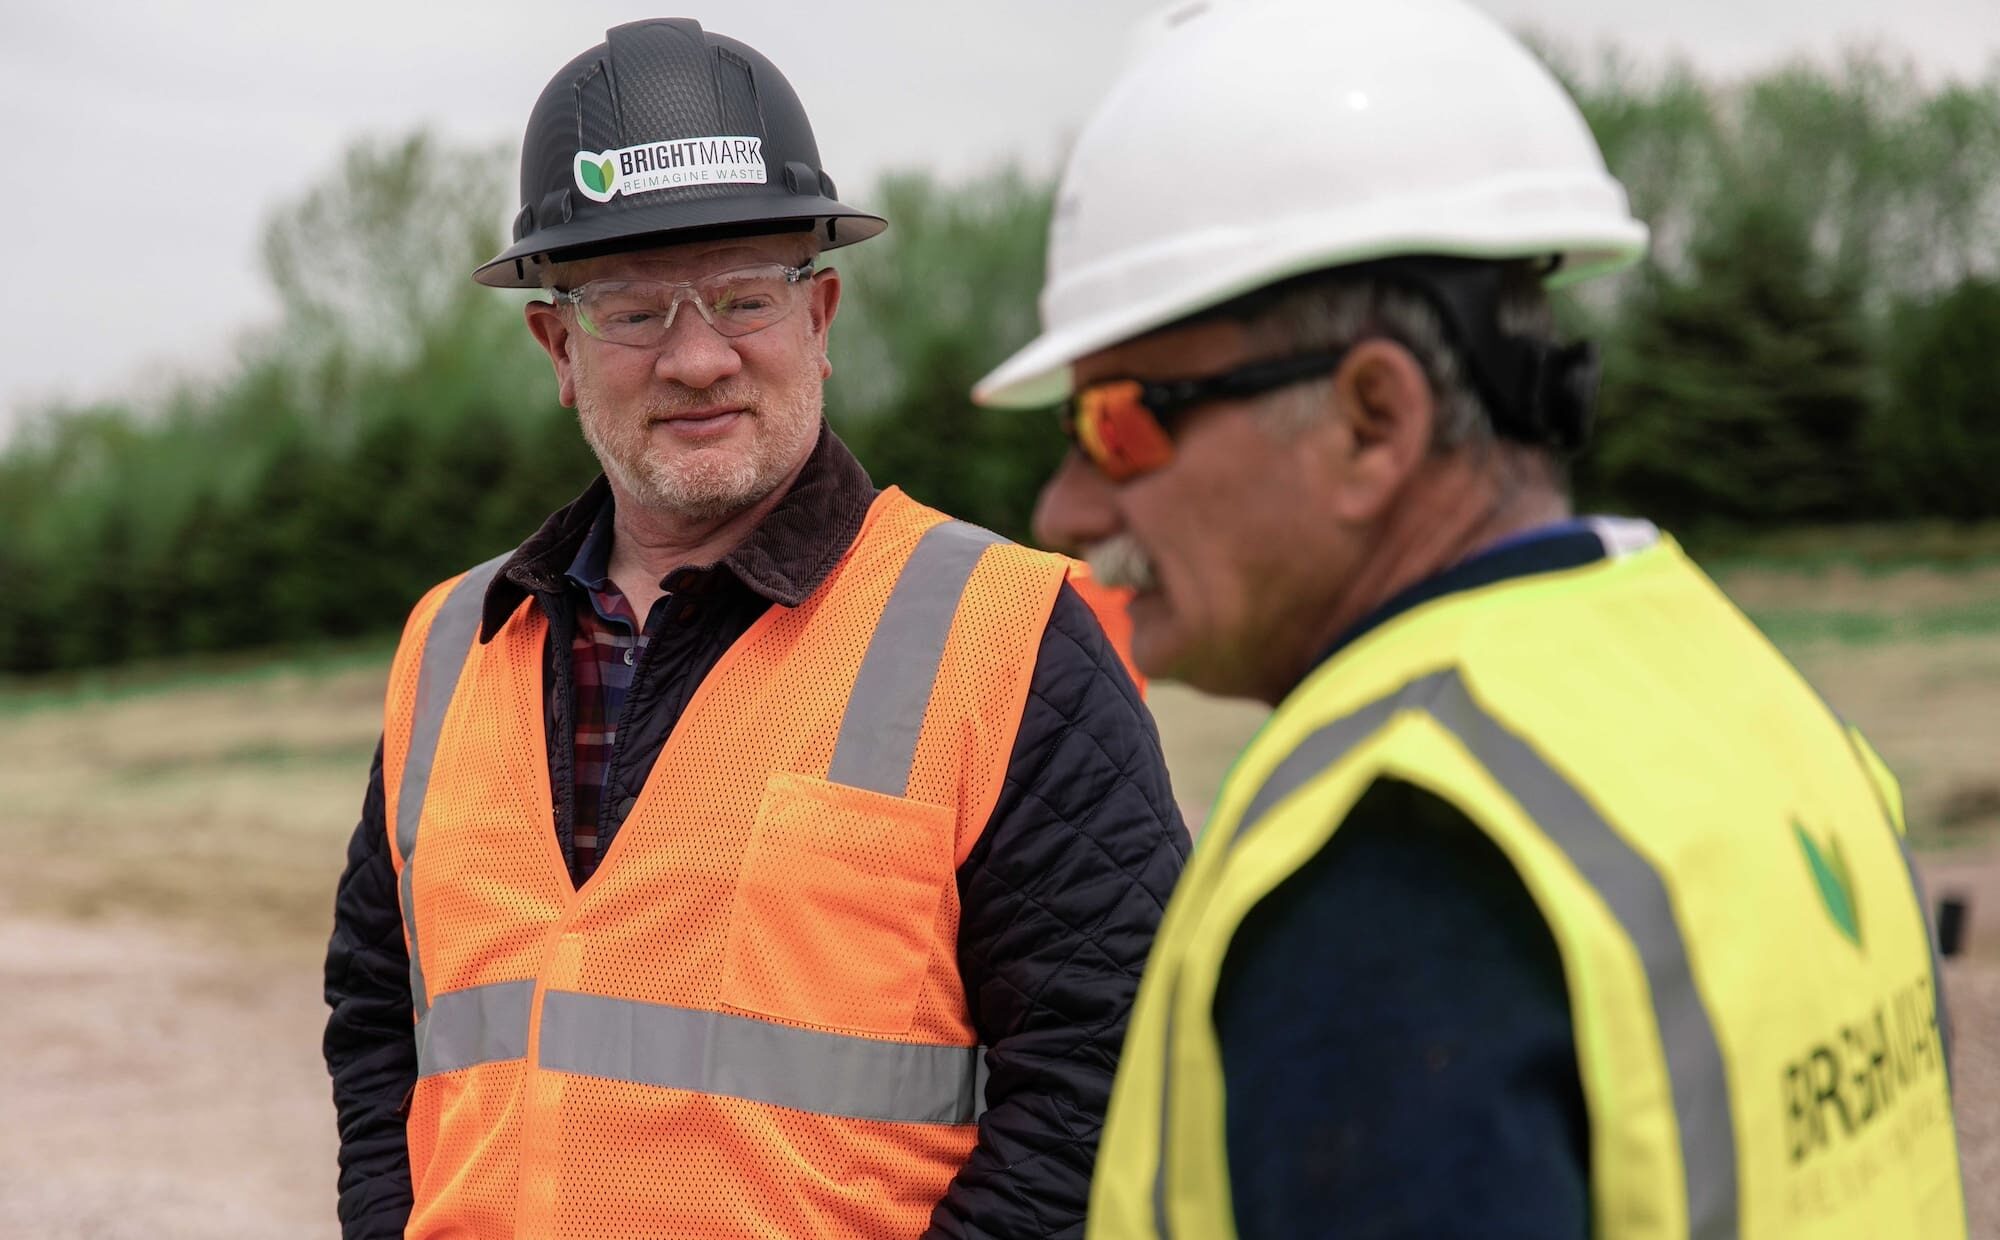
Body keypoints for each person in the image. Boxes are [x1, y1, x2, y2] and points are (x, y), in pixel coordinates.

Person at [973, 1, 1967, 1235]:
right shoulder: (1739, 692)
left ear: (1369, 422)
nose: (1065, 505)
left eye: (1117, 422)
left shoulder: (1393, 869)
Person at [322, 19, 1187, 1240]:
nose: (696, 357)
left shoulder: (1004, 635)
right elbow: (377, 1018)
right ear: (555, 345)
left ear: (820, 317)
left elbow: (1111, 1075)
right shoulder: (450, 642)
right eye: (630, 313)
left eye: (744, 297)